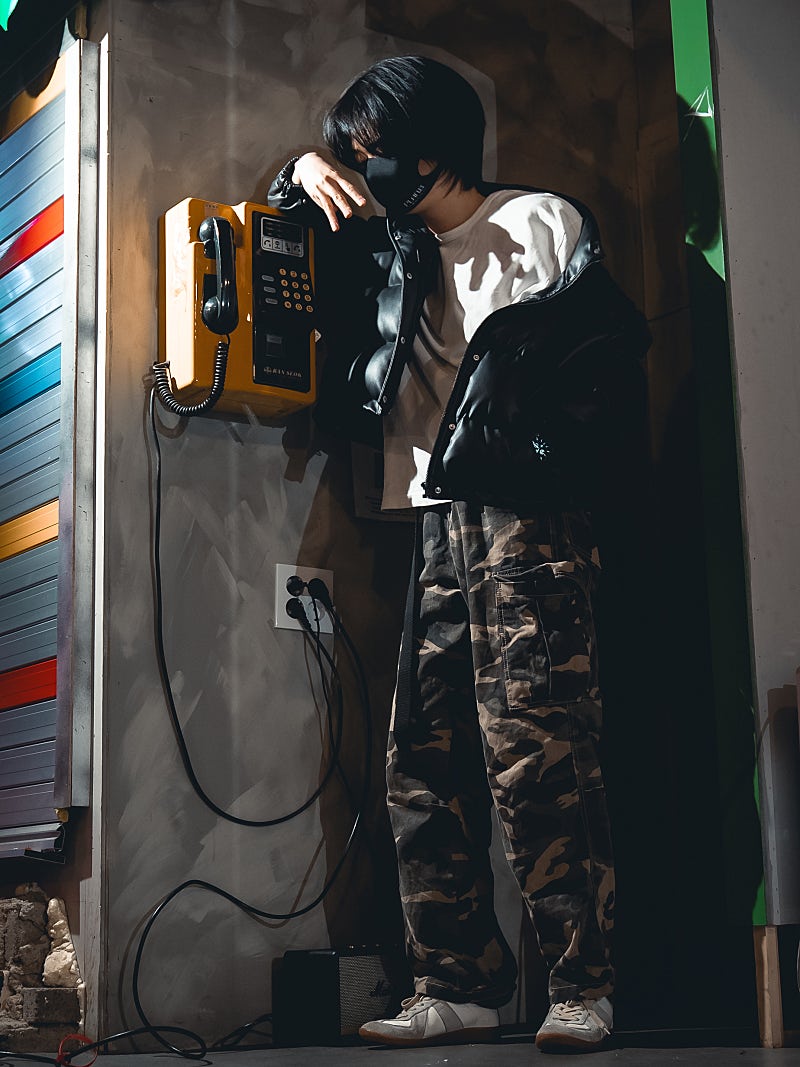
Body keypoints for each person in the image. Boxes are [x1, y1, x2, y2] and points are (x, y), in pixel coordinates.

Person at [268, 55, 650, 1054]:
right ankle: (459, 981)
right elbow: (289, 242)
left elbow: (589, 369)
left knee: (537, 749)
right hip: (434, 516)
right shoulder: (390, 246)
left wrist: (540, 466)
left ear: (430, 146)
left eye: (373, 148)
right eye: (354, 152)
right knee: (421, 760)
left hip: (526, 510)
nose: (364, 166)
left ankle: (583, 985)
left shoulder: (537, 223)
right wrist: (298, 172)